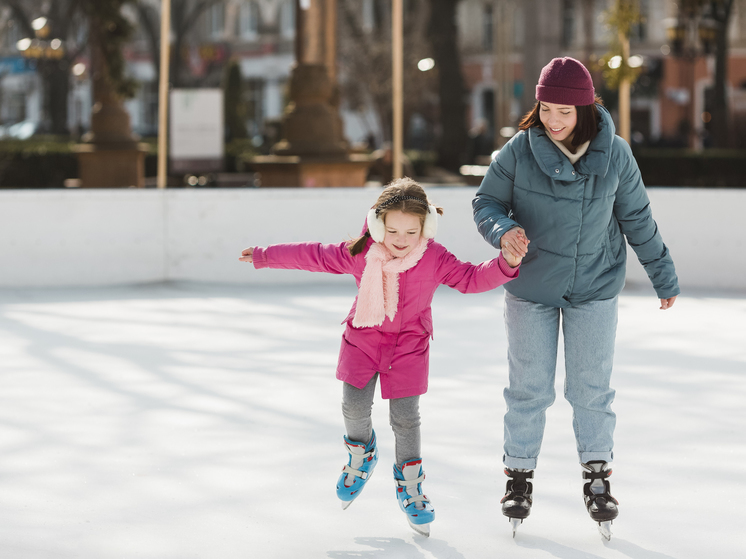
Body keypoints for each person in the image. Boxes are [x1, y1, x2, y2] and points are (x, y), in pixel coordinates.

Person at [240, 178, 523, 536]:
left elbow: (470, 278)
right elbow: (314, 255)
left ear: (425, 228)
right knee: (354, 407)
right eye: (392, 230)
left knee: (406, 419)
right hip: (363, 339)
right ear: (378, 225)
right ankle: (362, 454)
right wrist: (266, 256)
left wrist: (506, 263)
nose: (401, 239)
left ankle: (410, 484)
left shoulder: (434, 257)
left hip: (408, 347)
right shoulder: (361, 252)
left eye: (410, 231)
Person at [472, 57, 679, 539]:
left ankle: (597, 475)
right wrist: (503, 231)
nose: (554, 120)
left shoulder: (618, 154)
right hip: (531, 288)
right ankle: (518, 476)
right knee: (529, 388)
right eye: (546, 109)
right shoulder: (519, 151)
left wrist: (662, 275)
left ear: (585, 109)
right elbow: (486, 202)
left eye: (564, 111)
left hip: (594, 287)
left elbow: (638, 220)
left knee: (591, 389)